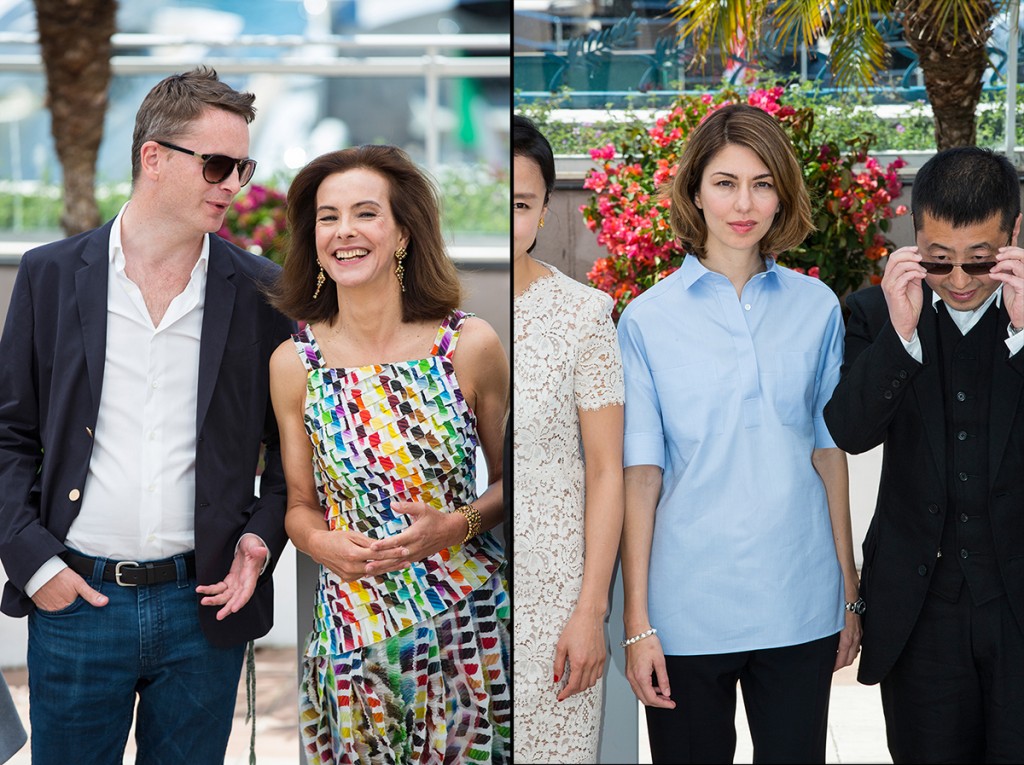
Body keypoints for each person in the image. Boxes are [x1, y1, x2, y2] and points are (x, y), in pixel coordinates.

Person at [0, 66, 293, 763]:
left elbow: (292, 452)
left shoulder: (262, 294)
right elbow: (8, 435)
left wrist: (261, 539)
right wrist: (36, 564)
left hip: (204, 610)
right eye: (217, 164)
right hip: (75, 603)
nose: (234, 185)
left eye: (242, 167)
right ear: (153, 158)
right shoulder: (48, 275)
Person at [618, 103, 862, 763]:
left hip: (800, 598)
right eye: (725, 182)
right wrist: (637, 621)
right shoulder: (645, 320)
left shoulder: (817, 308)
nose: (743, 202)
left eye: (761, 182)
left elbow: (828, 452)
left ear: (782, 195)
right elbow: (641, 475)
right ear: (695, 191)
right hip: (686, 607)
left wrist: (848, 588)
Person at [268, 145, 510, 764]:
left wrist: (456, 525)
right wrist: (319, 543)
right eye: (328, 217)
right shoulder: (295, 364)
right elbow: (299, 504)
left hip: (468, 625)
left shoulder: (469, 345)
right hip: (353, 634)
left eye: (365, 213)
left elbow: (515, 484)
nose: (344, 231)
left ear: (402, 232)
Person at [823, 146, 1024, 762]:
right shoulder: (871, 312)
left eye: (979, 261)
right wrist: (900, 332)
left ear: (1013, 234)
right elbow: (849, 431)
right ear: (914, 232)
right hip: (919, 611)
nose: (961, 281)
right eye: (939, 262)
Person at [511, 114, 625, 763]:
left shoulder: (586, 316)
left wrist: (591, 610)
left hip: (557, 605)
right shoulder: (426, 319)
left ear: (545, 208)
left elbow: (608, 470)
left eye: (521, 203)